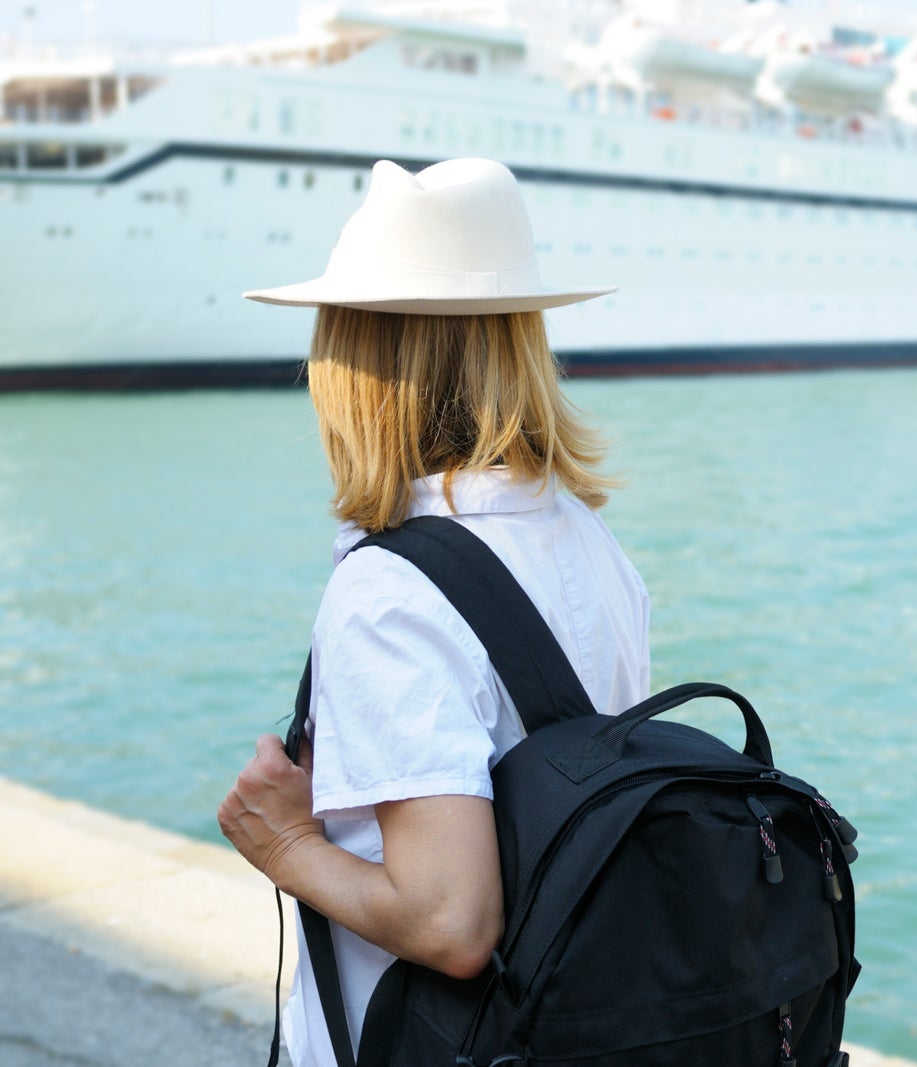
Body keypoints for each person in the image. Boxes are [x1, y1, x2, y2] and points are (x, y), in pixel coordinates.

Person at [216, 157, 650, 1067]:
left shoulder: (387, 590)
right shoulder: (584, 536)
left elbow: (452, 919)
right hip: (561, 1026)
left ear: (356, 362)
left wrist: (286, 841)